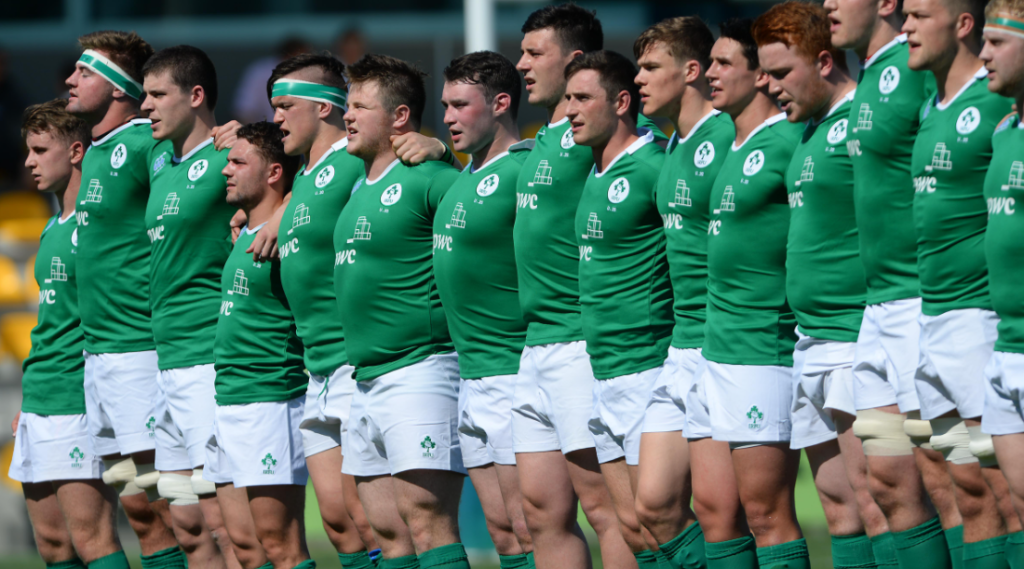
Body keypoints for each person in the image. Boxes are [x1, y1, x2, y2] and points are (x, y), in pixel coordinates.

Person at [512, 6, 656, 567]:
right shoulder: (542, 139)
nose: (521, 64)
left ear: (576, 63)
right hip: (534, 344)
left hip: (581, 341)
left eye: (534, 53)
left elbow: (650, 152)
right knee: (540, 512)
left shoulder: (604, 137)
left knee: (607, 510)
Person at [824, 0, 964, 561]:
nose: (828, 4)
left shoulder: (913, 70)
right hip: (876, 314)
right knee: (887, 481)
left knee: (957, 476)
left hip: (918, 307)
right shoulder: (871, 78)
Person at [755, 4, 893, 568]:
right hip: (809, 342)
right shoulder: (808, 130)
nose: (770, 86)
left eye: (781, 73)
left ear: (824, 60)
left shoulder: (865, 117)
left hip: (857, 340)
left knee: (884, 499)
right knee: (840, 508)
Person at [335, 54, 465, 569]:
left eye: (360, 106)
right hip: (363, 376)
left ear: (400, 117)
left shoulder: (428, 175)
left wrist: (447, 156)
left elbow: (483, 207)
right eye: (347, 104)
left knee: (427, 521)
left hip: (420, 369)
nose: (347, 115)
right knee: (386, 531)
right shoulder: (354, 186)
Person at [64, 30, 185, 569]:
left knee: (179, 510)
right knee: (139, 511)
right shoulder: (96, 151)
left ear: (117, 89)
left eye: (84, 72)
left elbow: (191, 190)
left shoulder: (145, 145)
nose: (70, 79)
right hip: (99, 358)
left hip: (138, 354)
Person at [905, 0, 1020, 561]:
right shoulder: (933, 105)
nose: (905, 26)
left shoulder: (993, 102)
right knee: (962, 488)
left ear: (962, 23)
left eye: (918, 15)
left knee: (1005, 490)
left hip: (979, 324)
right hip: (930, 323)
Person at [266, 51, 380, 568]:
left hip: (358, 361)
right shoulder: (305, 178)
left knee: (375, 519)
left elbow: (411, 169)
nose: (276, 119)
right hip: (318, 367)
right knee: (337, 522)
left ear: (326, 108)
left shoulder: (357, 160)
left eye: (286, 106)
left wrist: (434, 147)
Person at [633, 17, 738, 568]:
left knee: (725, 514)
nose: (639, 79)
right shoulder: (668, 144)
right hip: (682, 345)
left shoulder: (728, 135)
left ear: (692, 70)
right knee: (650, 506)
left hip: (727, 340)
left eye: (652, 67)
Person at [702, 17, 806, 568]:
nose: (711, 73)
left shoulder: (789, 140)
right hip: (716, 348)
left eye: (723, 64)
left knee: (767, 513)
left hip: (764, 347)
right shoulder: (730, 143)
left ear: (762, 76)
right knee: (714, 511)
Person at [10, 98, 130, 569]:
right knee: (53, 544)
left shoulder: (102, 226)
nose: (28, 162)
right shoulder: (51, 227)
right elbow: (53, 323)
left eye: (40, 150)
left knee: (93, 539)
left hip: (79, 399)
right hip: (42, 395)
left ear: (77, 151)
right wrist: (30, 399)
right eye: (28, 150)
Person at [431, 49, 537, 569]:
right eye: (444, 106)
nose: (447, 117)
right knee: (503, 533)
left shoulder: (527, 169)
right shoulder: (459, 176)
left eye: (459, 105)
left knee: (532, 525)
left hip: (515, 372)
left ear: (500, 103)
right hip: (471, 376)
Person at [566, 49, 671, 569]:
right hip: (599, 368)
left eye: (583, 98)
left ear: (623, 101)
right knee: (629, 525)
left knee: (664, 519)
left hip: (647, 365)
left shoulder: (655, 165)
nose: (569, 110)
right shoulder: (592, 169)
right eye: (568, 98)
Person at [140, 45, 236, 569]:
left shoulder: (232, 155)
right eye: (143, 95)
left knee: (227, 523)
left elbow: (298, 177)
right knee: (187, 523)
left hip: (209, 359)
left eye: (158, 95)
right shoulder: (158, 158)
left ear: (196, 96)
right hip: (166, 362)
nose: (146, 106)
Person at [213, 120, 311, 569]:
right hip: (228, 398)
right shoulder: (246, 231)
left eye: (237, 162)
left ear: (274, 173)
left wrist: (287, 208)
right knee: (244, 546)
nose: (225, 171)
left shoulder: (287, 234)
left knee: (280, 545)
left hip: (271, 399)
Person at [980, 0, 1024, 562]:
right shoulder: (1004, 128)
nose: (984, 54)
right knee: (1015, 506)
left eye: (998, 42)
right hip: (1004, 343)